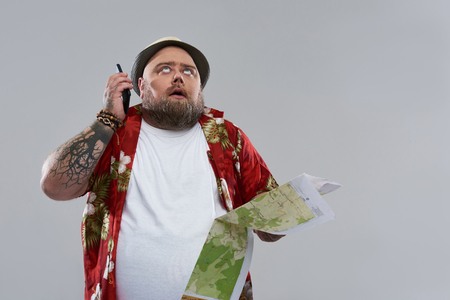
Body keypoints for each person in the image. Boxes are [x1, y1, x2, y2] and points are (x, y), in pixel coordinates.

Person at [40, 37, 283, 300]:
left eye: (188, 71)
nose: (178, 77)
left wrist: (289, 213)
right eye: (164, 69)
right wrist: (107, 119)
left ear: (199, 89)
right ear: (141, 87)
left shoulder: (227, 137)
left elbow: (271, 231)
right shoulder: (115, 134)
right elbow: (54, 186)